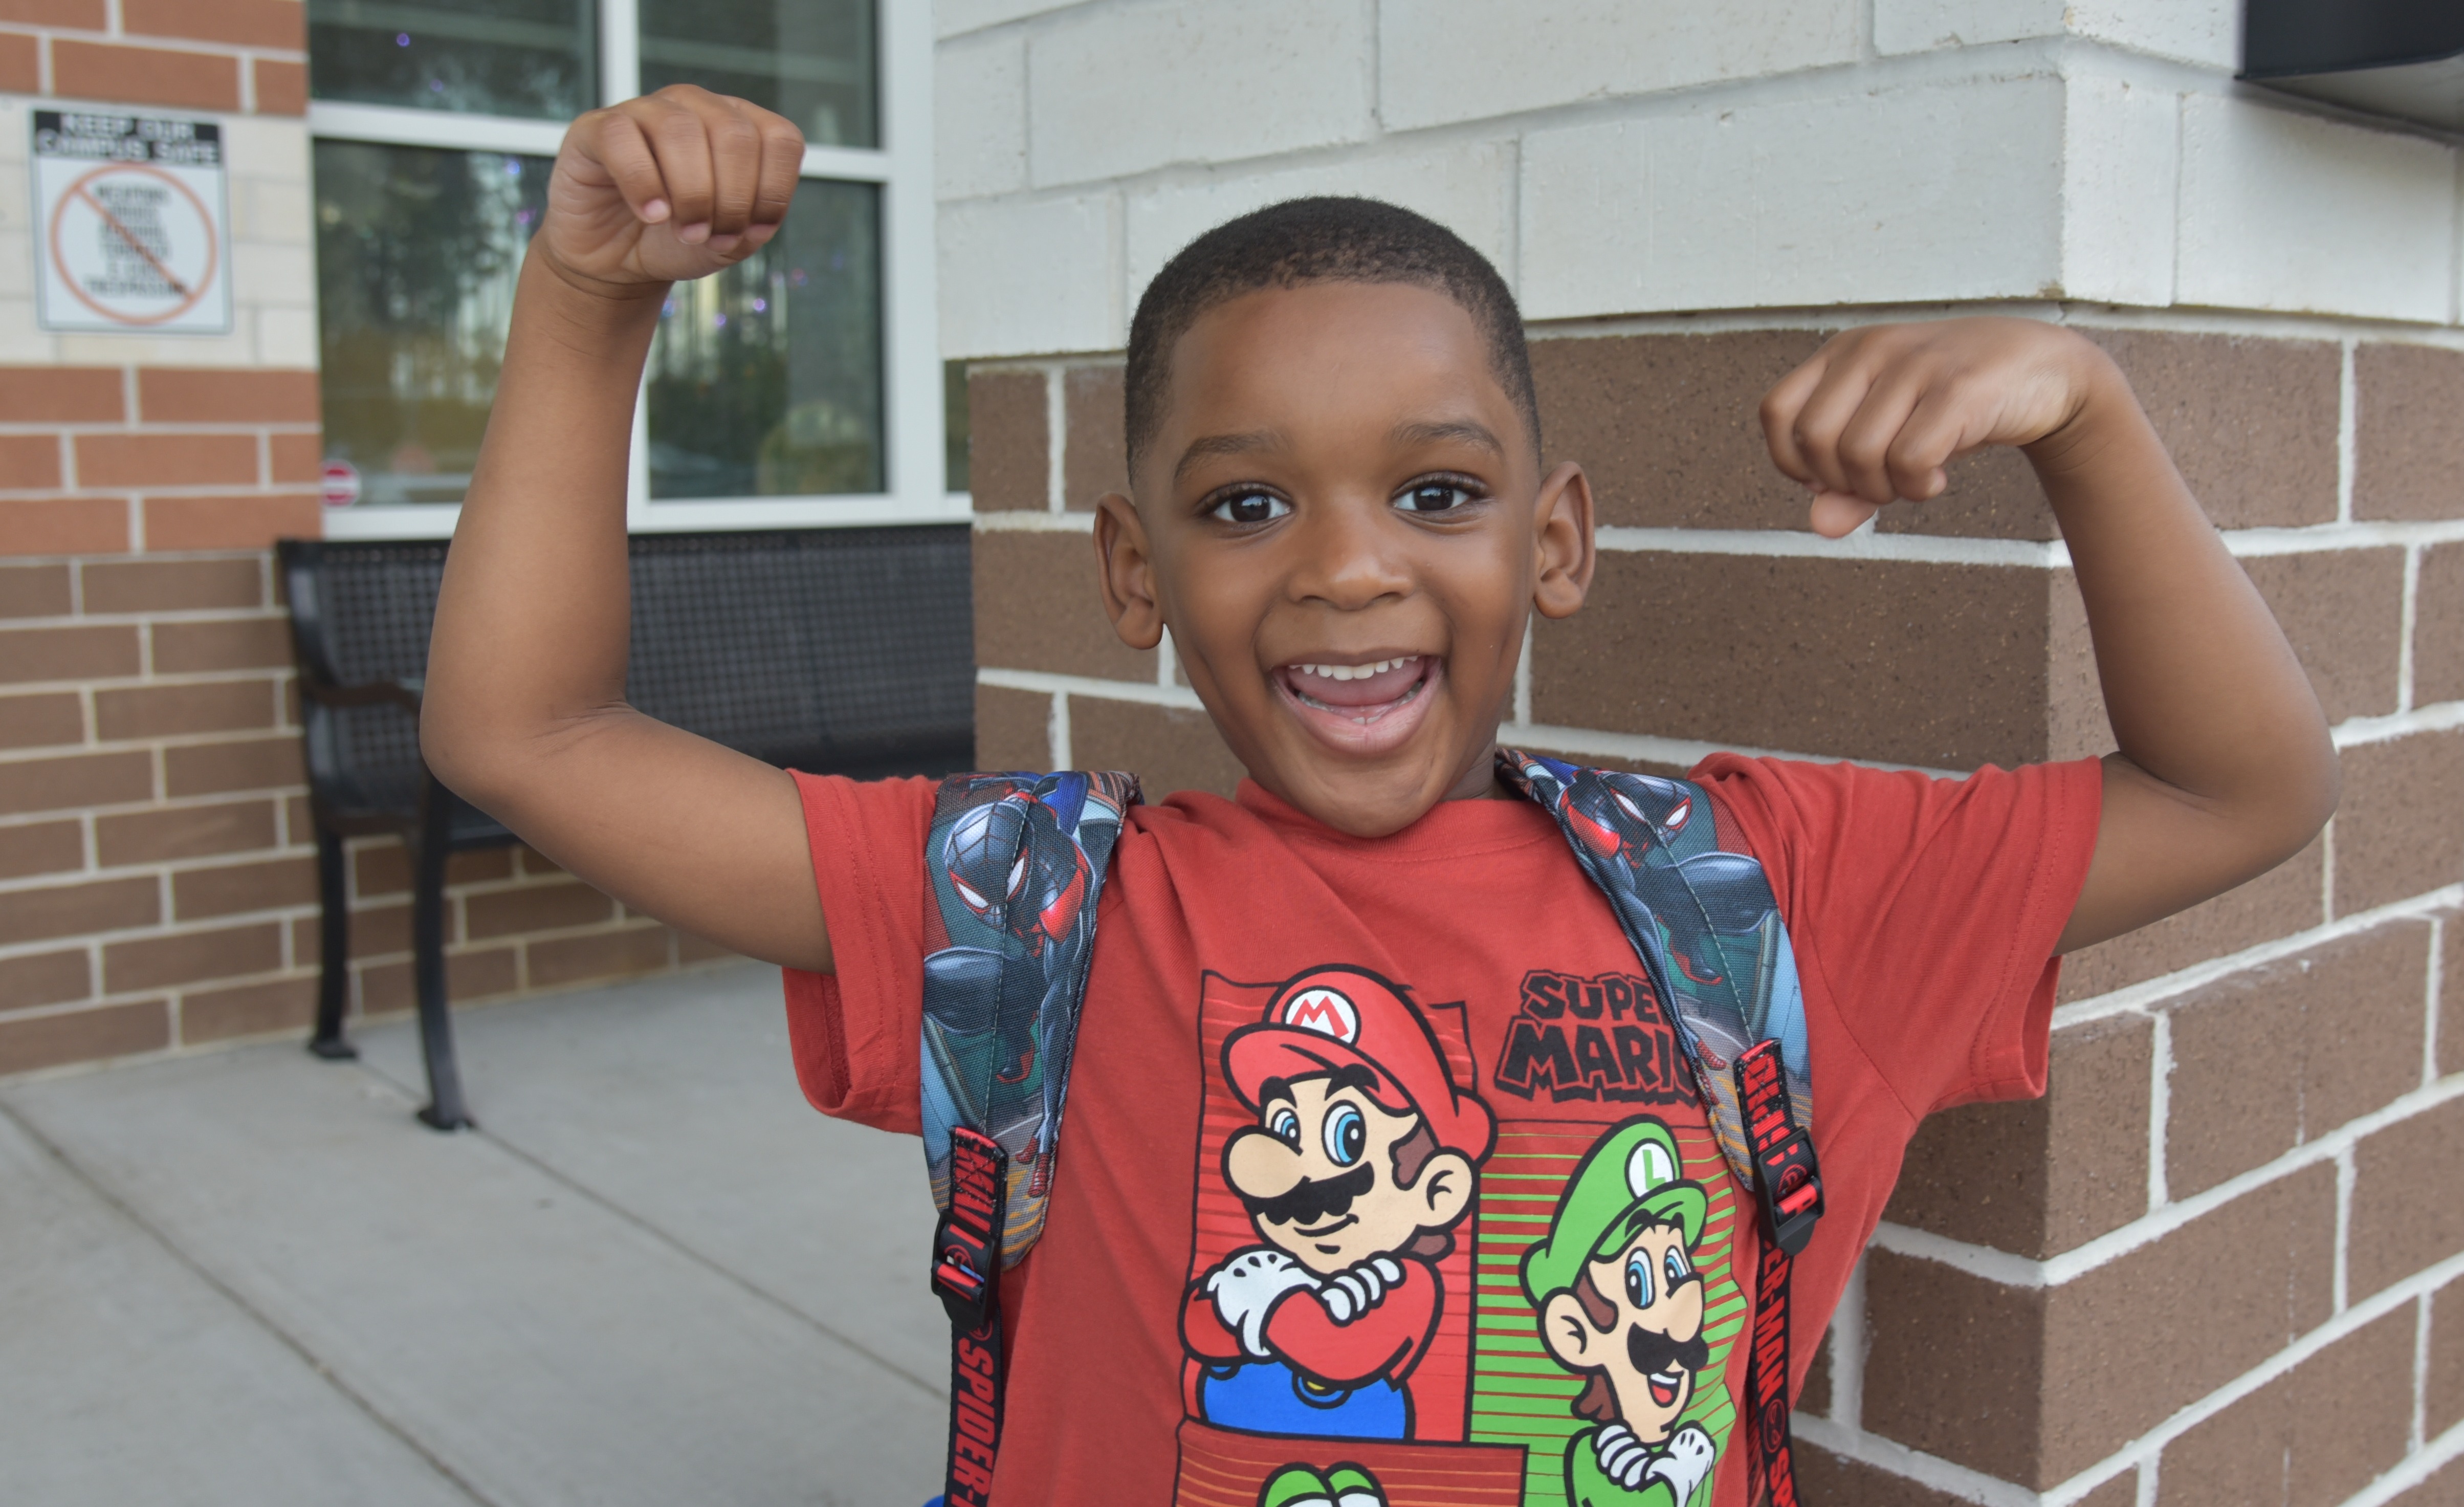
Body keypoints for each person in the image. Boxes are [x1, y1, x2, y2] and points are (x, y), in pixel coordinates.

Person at [420, 87, 2340, 1507]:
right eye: (1247, 504)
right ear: (1133, 570)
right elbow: (531, 735)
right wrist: (591, 307)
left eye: (1436, 491)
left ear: (1557, 538)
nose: (1348, 569)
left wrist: (2086, 413)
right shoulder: (1032, 906)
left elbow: (2240, 784)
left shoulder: (1771, 886)